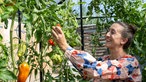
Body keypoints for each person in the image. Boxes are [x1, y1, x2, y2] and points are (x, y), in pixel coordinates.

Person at [52, 22, 142, 82]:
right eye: (108, 31)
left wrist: (66, 47)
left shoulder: (129, 63)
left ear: (123, 40)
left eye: (112, 32)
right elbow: (86, 72)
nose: (107, 34)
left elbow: (94, 70)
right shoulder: (103, 59)